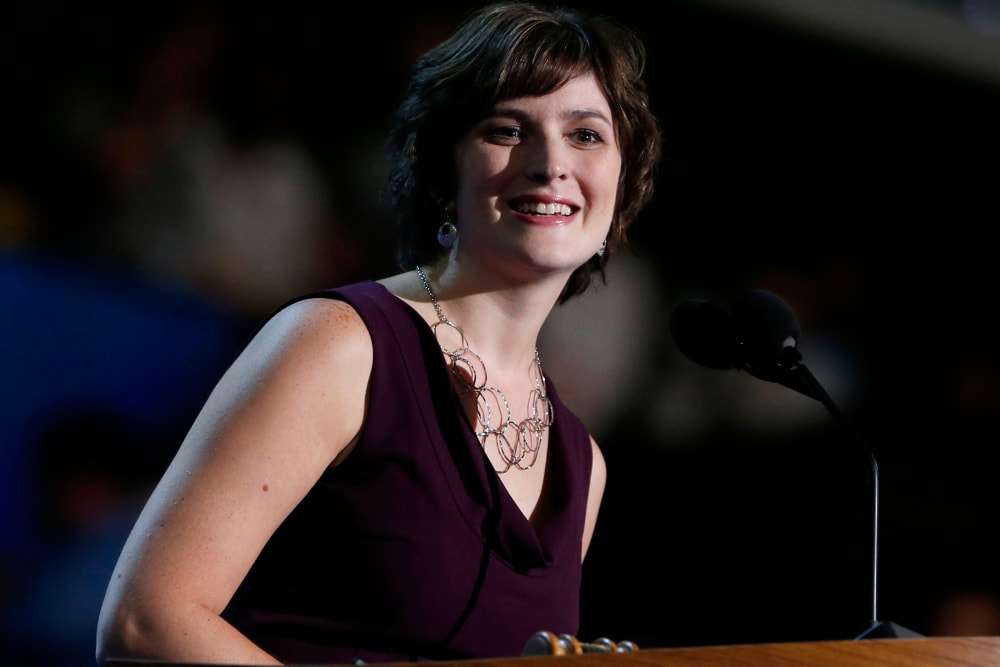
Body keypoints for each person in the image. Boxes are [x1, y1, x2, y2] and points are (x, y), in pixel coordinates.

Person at [95, 1, 661, 664]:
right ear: (446, 172)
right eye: (509, 129)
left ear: (620, 183)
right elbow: (145, 621)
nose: (550, 162)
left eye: (586, 135)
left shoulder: (583, 464)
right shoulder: (337, 345)